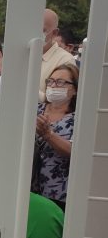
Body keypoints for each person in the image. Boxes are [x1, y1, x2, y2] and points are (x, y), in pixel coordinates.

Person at [0, 9, 76, 102]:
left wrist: (8, 75)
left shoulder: (65, 60)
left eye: (41, 30)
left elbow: (57, 101)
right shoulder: (20, 54)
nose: (33, 35)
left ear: (54, 33)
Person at [33, 64, 78, 211]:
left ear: (75, 89)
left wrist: (48, 135)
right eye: (50, 81)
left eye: (60, 82)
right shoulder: (35, 110)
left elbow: (76, 152)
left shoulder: (79, 118)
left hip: (59, 193)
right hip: (30, 188)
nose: (53, 85)